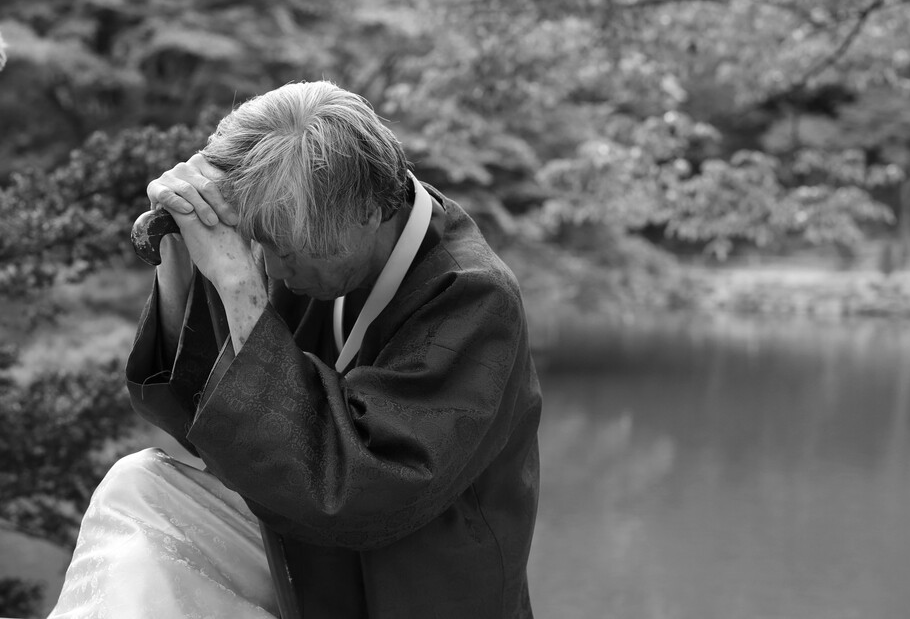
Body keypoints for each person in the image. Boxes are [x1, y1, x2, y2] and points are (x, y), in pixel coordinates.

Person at [48, 80, 542, 618]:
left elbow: (358, 494)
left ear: (370, 212)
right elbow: (209, 417)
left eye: (290, 249)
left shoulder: (472, 295)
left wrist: (240, 289)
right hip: (306, 549)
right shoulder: (304, 236)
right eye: (261, 243)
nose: (274, 268)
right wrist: (179, 250)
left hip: (414, 583)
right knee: (139, 490)